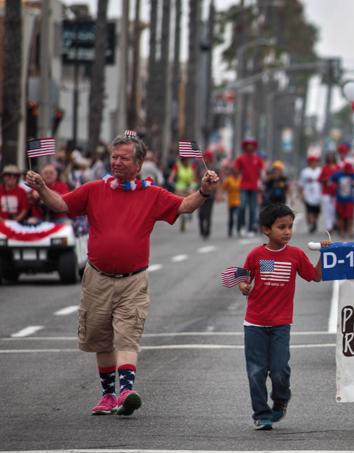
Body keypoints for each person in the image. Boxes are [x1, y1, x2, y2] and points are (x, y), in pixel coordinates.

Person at [24, 134, 219, 417]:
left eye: (124, 158)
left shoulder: (153, 194)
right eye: (114, 157)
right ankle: (108, 396)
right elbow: (61, 205)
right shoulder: (93, 190)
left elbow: (183, 206)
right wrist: (42, 188)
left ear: (138, 163)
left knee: (128, 335)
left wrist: (203, 191)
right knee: (100, 338)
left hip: (133, 280)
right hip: (97, 278)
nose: (116, 163)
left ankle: (127, 390)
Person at [237, 203, 330, 430]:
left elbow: (315, 277)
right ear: (266, 230)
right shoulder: (257, 255)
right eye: (281, 227)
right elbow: (242, 275)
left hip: (281, 324)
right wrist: (243, 285)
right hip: (255, 323)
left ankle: (280, 399)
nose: (287, 232)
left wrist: (325, 255)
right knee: (256, 371)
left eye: (290, 227)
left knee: (279, 369)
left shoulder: (295, 255)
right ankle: (261, 414)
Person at [235, 138, 264, 234]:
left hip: (254, 187)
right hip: (244, 186)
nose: (250, 147)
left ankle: (251, 228)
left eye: (251, 145)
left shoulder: (258, 159)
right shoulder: (241, 158)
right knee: (242, 206)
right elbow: (236, 170)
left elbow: (262, 172)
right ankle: (241, 226)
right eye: (248, 145)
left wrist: (262, 183)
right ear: (245, 147)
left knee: (253, 209)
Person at [330, 162, 354, 238]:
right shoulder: (338, 175)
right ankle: (341, 232)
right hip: (340, 200)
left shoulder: (352, 174)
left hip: (350, 200)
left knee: (350, 217)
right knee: (340, 217)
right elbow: (330, 180)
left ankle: (350, 231)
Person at [168, 157, 198, 232]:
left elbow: (194, 178)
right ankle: (183, 221)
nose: (187, 161)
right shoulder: (177, 166)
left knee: (192, 202)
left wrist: (193, 185)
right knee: (181, 206)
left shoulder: (192, 166)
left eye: (188, 160)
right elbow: (171, 178)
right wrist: (173, 184)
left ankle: (190, 213)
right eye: (186, 160)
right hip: (180, 188)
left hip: (190, 188)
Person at [298, 155, 322, 233]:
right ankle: (312, 224)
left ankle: (314, 222)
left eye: (315, 161)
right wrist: (301, 194)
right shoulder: (305, 171)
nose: (314, 163)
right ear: (309, 163)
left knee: (317, 211)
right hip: (308, 193)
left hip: (318, 193)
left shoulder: (320, 170)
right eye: (312, 162)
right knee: (309, 210)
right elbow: (301, 184)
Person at [197, 150, 216, 240]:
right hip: (200, 193)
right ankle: (201, 230)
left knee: (208, 214)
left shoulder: (214, 168)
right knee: (201, 214)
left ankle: (207, 231)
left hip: (210, 194)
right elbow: (196, 178)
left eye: (207, 157)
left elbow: (218, 181)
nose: (206, 159)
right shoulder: (200, 167)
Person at [221, 163, 243, 237]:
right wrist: (222, 195)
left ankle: (239, 230)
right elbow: (223, 188)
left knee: (239, 216)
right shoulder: (228, 179)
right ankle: (230, 230)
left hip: (239, 201)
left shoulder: (241, 179)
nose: (236, 172)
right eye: (234, 171)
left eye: (237, 171)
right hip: (231, 201)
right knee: (231, 217)